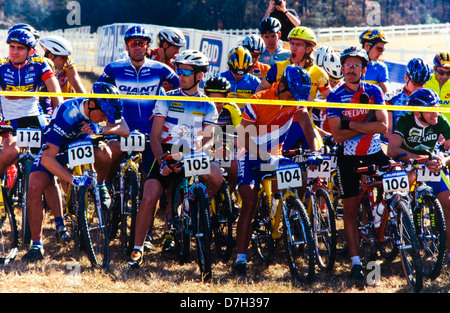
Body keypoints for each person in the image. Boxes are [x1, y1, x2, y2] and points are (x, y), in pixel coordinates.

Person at [128, 49, 223, 268]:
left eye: (186, 71)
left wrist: (200, 153)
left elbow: (209, 140)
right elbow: (154, 137)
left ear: (200, 75)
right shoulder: (167, 98)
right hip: (166, 151)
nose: (180, 74)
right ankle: (138, 248)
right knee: (149, 196)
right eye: (179, 69)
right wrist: (163, 161)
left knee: (217, 177)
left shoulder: (208, 105)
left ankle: (198, 211)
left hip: (193, 152)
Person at [24, 82, 130, 261]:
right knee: (35, 185)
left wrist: (100, 129)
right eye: (103, 115)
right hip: (59, 145)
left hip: (82, 142)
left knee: (105, 152)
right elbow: (47, 158)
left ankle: (101, 185)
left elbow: (125, 129)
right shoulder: (68, 113)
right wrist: (73, 179)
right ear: (91, 104)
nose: (106, 118)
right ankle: (37, 245)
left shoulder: (106, 104)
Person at [233, 65, 320, 276]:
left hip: (275, 155)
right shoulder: (258, 100)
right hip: (250, 155)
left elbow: (309, 128)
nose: (292, 101)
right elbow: (244, 136)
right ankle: (240, 258)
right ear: (280, 86)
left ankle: (292, 214)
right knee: (250, 202)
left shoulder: (294, 99)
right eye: (290, 96)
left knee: (299, 177)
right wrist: (263, 155)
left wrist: (316, 151)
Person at [326, 46, 389, 279]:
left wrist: (350, 123)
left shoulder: (373, 91)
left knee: (398, 185)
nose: (351, 69)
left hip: (375, 152)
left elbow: (382, 127)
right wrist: (366, 123)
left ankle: (382, 220)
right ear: (342, 68)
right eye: (347, 65)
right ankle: (355, 262)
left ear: (363, 69)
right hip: (348, 157)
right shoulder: (333, 95)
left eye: (356, 65)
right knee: (350, 209)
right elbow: (337, 136)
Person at [97, 25, 180, 180]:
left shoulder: (160, 69)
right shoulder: (114, 68)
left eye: (141, 44)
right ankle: (105, 186)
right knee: (112, 151)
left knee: (150, 181)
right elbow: (97, 92)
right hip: (122, 129)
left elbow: (183, 90)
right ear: (127, 46)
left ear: (147, 46)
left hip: (151, 132)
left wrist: (167, 109)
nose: (137, 47)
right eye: (133, 43)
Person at [387, 88, 450, 264]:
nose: (435, 113)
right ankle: (391, 219)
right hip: (409, 165)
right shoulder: (406, 121)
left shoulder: (440, 120)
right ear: (417, 112)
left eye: (436, 107)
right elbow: (392, 150)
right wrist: (421, 159)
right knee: (399, 194)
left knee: (448, 202)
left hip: (431, 166)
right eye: (430, 109)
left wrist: (443, 160)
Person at [0, 28, 63, 177]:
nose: (14, 52)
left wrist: (58, 117)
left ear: (31, 51)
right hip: (11, 119)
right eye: (12, 47)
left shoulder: (40, 64)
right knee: (11, 151)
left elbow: (56, 94)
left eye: (20, 48)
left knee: (52, 153)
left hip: (35, 116)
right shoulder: (2, 66)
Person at [204, 76, 242, 191]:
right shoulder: (200, 105)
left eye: (219, 101)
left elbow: (242, 134)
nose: (215, 105)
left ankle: (230, 195)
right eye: (212, 100)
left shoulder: (232, 108)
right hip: (203, 143)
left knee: (235, 167)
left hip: (223, 143)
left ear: (227, 98)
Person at [385, 58, 431, 139]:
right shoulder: (391, 99)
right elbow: (388, 131)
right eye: (415, 84)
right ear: (406, 78)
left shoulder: (429, 99)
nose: (418, 88)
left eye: (422, 84)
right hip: (397, 143)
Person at [311, 50, 344, 132]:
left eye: (337, 80)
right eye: (331, 80)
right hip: (317, 128)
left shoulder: (343, 86)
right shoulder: (315, 82)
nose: (334, 83)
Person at [359, 28, 390, 93]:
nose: (381, 53)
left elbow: (386, 94)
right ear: (367, 46)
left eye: (382, 50)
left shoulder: (380, 67)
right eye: (379, 49)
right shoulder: (349, 66)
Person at [424, 52, 450, 120]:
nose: (445, 76)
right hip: (428, 127)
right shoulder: (424, 82)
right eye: (441, 72)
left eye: (449, 73)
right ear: (434, 68)